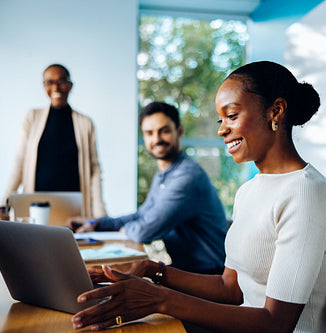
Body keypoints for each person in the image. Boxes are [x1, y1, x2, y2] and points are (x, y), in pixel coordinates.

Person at [71, 61, 326, 333]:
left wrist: (160, 299)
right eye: (220, 120)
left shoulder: (307, 192)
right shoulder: (249, 190)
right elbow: (230, 288)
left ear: (276, 110)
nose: (222, 129)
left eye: (232, 116)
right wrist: (151, 269)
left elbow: (277, 324)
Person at [69, 102, 228, 274]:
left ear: (179, 131)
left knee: (119, 283)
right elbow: (142, 215)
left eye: (164, 131)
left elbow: (144, 232)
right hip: (188, 270)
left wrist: (126, 228)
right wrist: (95, 223)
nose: (156, 139)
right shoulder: (165, 174)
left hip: (210, 275)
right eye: (149, 133)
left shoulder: (186, 177)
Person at [0, 64, 107, 219]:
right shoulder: (31, 118)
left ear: (70, 85)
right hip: (36, 210)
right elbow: (19, 163)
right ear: (44, 86)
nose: (56, 87)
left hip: (74, 212)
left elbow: (94, 170)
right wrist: (4, 205)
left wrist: (100, 213)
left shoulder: (86, 123)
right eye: (50, 82)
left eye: (61, 81)